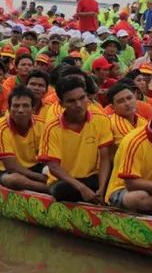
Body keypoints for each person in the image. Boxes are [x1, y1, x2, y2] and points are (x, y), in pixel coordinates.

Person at [38, 75, 113, 203]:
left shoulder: (101, 119)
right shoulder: (51, 127)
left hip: (91, 177)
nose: (78, 105)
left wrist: (101, 188)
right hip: (66, 181)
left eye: (82, 98)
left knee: (113, 183)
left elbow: (105, 158)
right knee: (61, 191)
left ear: (87, 96)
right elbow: (54, 168)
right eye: (71, 101)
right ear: (61, 104)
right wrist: (82, 188)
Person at [0, 87, 48, 192]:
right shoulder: (1, 128)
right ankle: (48, 189)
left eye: (25, 106)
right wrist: (41, 178)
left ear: (33, 109)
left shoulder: (41, 124)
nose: (20, 110)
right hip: (6, 171)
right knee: (13, 180)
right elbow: (11, 167)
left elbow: (45, 155)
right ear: (8, 109)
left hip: (34, 167)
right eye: (16, 106)